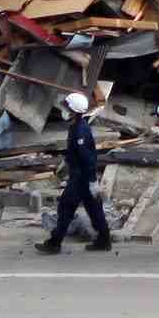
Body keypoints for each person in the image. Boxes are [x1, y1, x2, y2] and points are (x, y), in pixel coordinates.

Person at [38, 90, 112, 253]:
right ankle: (104, 239)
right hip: (82, 176)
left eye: (67, 107)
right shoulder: (77, 126)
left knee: (66, 207)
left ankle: (54, 243)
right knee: (94, 208)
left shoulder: (80, 131)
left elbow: (87, 158)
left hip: (81, 178)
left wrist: (92, 181)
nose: (64, 110)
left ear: (74, 111)